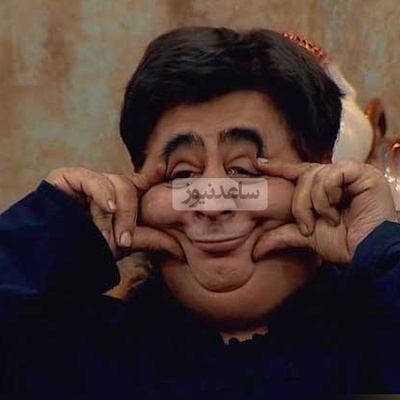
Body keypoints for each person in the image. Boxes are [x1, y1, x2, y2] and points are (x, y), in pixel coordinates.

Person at [0, 26, 399, 398]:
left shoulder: (376, 335)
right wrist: (51, 235)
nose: (211, 203)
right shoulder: (79, 354)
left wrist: (376, 244)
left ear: (319, 173)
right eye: (183, 175)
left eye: (244, 170)